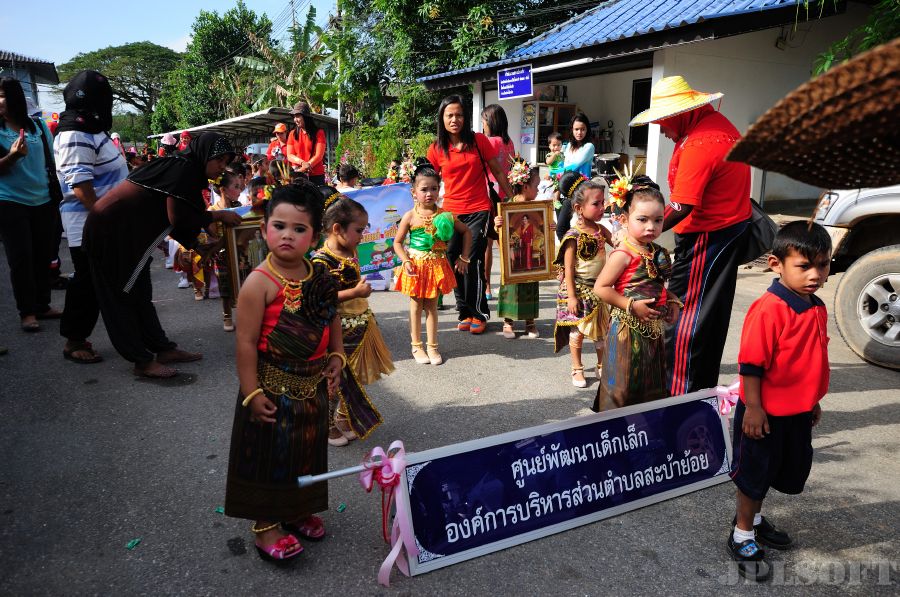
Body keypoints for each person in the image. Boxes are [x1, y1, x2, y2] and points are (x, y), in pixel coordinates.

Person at [224, 181, 345, 563]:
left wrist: (337, 355)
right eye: (279, 226)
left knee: (306, 450)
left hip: (312, 385)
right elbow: (245, 343)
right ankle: (267, 525)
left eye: (299, 228)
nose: (287, 235)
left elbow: (332, 317)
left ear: (315, 235)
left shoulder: (320, 275)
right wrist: (252, 393)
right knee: (271, 456)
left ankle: (297, 509)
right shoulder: (258, 283)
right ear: (264, 230)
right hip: (270, 389)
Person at [629, 75, 752, 396]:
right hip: (724, 232)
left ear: (681, 114)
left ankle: (678, 393)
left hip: (707, 239)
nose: (660, 129)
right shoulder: (717, 127)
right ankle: (700, 389)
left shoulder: (701, 143)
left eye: (662, 121)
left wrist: (642, 230)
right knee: (709, 317)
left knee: (686, 316)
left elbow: (682, 206)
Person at [82, 132, 242, 378]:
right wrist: (217, 216)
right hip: (110, 232)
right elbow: (178, 218)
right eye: (219, 160)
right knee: (120, 297)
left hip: (126, 234)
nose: (222, 166)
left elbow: (175, 216)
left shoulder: (185, 168)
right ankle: (141, 360)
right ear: (204, 155)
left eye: (226, 162)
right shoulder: (183, 169)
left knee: (141, 292)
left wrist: (197, 244)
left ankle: (162, 348)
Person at [726, 221, 831, 582]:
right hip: (764, 414)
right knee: (753, 476)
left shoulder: (815, 305)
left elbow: (810, 361)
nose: (815, 274)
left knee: (777, 471)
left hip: (797, 412)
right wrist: (754, 408)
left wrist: (812, 400)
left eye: (823, 265)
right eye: (804, 266)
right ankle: (742, 535)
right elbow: (751, 366)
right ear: (776, 264)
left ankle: (754, 520)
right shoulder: (769, 309)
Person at [54, 70, 129, 363]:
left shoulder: (91, 127)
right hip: (90, 223)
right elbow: (81, 187)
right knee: (88, 284)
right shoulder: (75, 133)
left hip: (102, 220)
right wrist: (106, 220)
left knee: (98, 282)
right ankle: (74, 340)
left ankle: (137, 337)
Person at [426, 95, 514, 335]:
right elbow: (429, 181)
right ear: (442, 119)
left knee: (471, 260)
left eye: (459, 115)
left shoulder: (479, 141)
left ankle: (479, 313)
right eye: (449, 115)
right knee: (453, 259)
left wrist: (512, 199)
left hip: (479, 210)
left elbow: (498, 171)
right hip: (450, 214)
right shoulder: (436, 148)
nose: (454, 119)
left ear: (465, 118)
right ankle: (464, 311)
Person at [593, 175, 681, 409]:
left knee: (650, 384)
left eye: (658, 220)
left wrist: (672, 301)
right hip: (626, 331)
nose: (651, 226)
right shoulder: (623, 253)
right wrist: (631, 306)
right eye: (642, 219)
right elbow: (600, 288)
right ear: (624, 219)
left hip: (652, 331)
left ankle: (644, 427)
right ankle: (616, 428)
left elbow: (656, 285)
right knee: (622, 387)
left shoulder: (657, 251)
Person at [312, 190, 392, 446]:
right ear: (337, 229)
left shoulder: (350, 251)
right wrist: (355, 292)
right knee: (336, 380)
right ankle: (327, 425)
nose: (362, 236)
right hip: (339, 329)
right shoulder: (321, 261)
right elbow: (320, 299)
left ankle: (343, 418)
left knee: (356, 377)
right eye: (359, 230)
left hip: (361, 323)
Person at [394, 162, 472, 365]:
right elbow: (397, 243)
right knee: (415, 306)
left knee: (431, 306)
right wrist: (405, 260)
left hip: (436, 265)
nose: (429, 193)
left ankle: (432, 346)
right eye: (424, 189)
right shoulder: (410, 216)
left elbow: (466, 232)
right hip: (416, 267)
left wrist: (464, 257)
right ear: (414, 192)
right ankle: (416, 346)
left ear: (439, 189)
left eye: (434, 188)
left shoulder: (445, 215)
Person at [0, 77, 62, 332]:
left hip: (43, 199)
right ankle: (27, 312)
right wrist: (13, 156)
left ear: (15, 97)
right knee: (21, 258)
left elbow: (51, 161)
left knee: (43, 255)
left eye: (1, 95)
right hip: (9, 201)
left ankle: (42, 305)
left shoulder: (37, 126)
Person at [553, 174, 611, 388]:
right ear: (578, 208)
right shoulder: (573, 236)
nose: (602, 207)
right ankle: (577, 368)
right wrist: (571, 297)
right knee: (577, 331)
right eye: (596, 204)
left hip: (599, 290)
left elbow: (618, 243)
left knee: (601, 332)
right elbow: (568, 268)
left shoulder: (601, 230)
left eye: (603, 202)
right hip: (578, 290)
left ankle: (602, 365)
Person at [494, 157, 540, 339]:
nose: (538, 190)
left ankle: (530, 321)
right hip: (513, 253)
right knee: (511, 286)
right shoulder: (508, 206)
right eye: (536, 186)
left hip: (529, 251)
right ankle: (508, 321)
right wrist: (497, 224)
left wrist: (549, 226)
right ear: (525, 186)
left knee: (530, 283)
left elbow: (541, 230)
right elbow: (500, 232)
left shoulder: (538, 208)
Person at [481, 104, 515, 301]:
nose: (482, 125)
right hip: (506, 195)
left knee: (487, 244)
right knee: (504, 243)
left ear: (490, 122)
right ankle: (507, 283)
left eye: (484, 121)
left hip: (489, 195)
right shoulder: (509, 142)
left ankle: (487, 286)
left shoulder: (489, 142)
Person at [285, 101, 327, 185]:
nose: (295, 120)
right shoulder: (292, 134)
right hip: (298, 174)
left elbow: (319, 155)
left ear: (305, 117)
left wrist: (306, 166)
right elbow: (289, 155)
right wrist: (302, 163)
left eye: (297, 116)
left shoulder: (319, 133)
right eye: (294, 117)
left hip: (316, 175)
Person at [563, 113, 595, 178]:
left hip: (582, 183)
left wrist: (558, 173)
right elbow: (565, 164)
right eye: (576, 129)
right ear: (572, 129)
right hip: (566, 180)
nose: (579, 133)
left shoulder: (589, 146)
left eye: (583, 129)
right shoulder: (569, 145)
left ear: (587, 130)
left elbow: (575, 166)